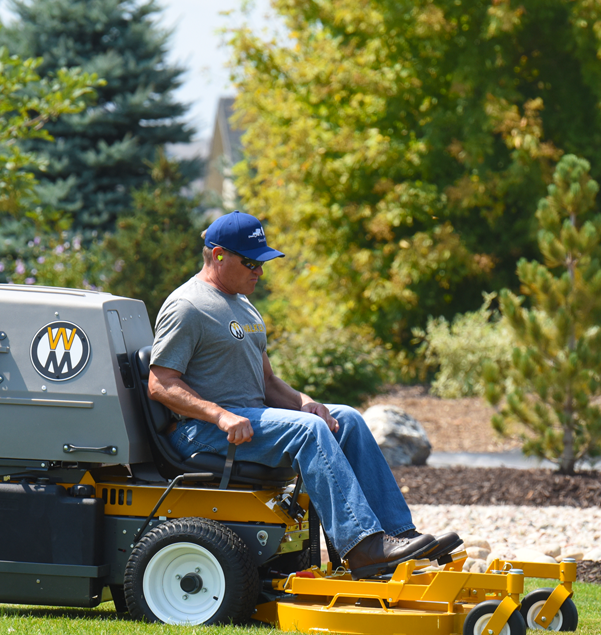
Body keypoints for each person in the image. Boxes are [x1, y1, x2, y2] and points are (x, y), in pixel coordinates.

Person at [147, 211, 446, 578]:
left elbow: (268, 383)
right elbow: (160, 383)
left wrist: (304, 402)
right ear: (219, 255)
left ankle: (398, 536)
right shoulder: (187, 306)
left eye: (262, 263)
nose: (259, 271)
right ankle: (363, 546)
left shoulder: (243, 304)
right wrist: (220, 416)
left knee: (346, 419)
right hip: (204, 433)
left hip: (252, 422)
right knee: (308, 429)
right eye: (251, 262)